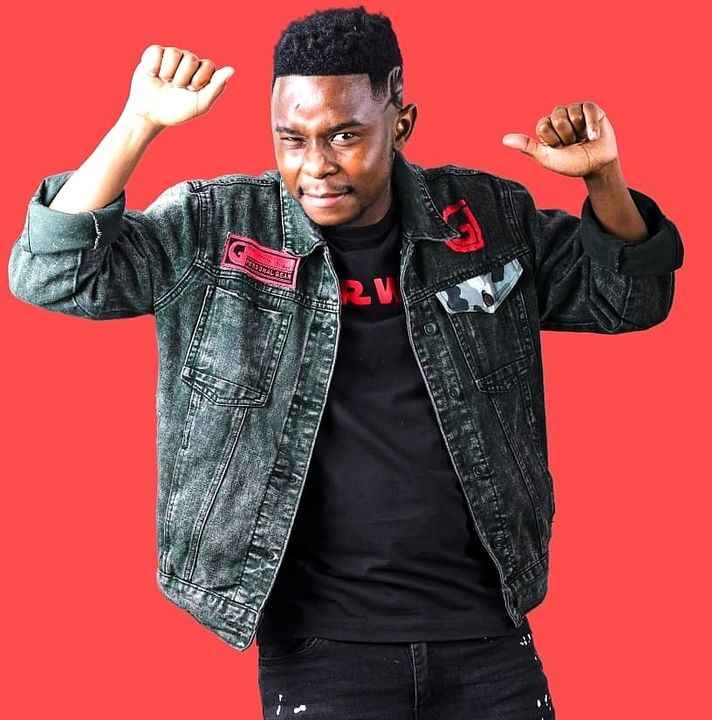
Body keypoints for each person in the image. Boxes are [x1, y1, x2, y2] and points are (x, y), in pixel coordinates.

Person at [7, 5, 684, 719]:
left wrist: (603, 178)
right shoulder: (218, 229)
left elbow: (630, 299)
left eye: (344, 135)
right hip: (321, 649)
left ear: (402, 122)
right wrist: (138, 123)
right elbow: (51, 272)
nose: (316, 165)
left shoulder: (485, 219)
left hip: (488, 635)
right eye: (291, 139)